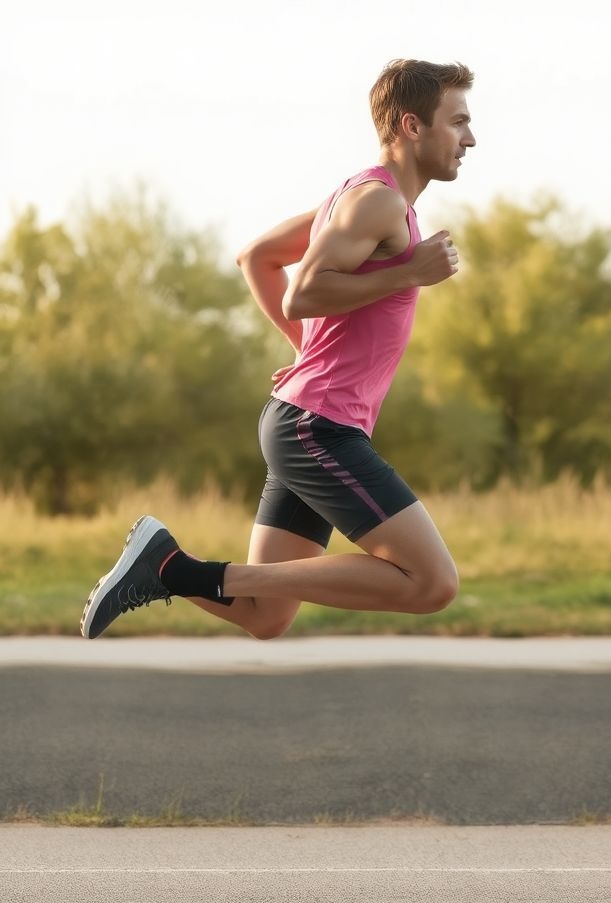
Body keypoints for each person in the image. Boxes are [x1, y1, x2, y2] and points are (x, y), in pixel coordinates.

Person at [81, 59, 477, 641]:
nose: (470, 138)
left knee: (263, 615)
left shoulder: (362, 200)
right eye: (458, 121)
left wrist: (307, 354)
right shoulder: (377, 203)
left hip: (305, 420)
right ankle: (182, 570)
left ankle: (163, 566)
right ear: (411, 126)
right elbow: (302, 292)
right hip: (318, 429)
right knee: (432, 582)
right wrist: (407, 274)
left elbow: (256, 257)